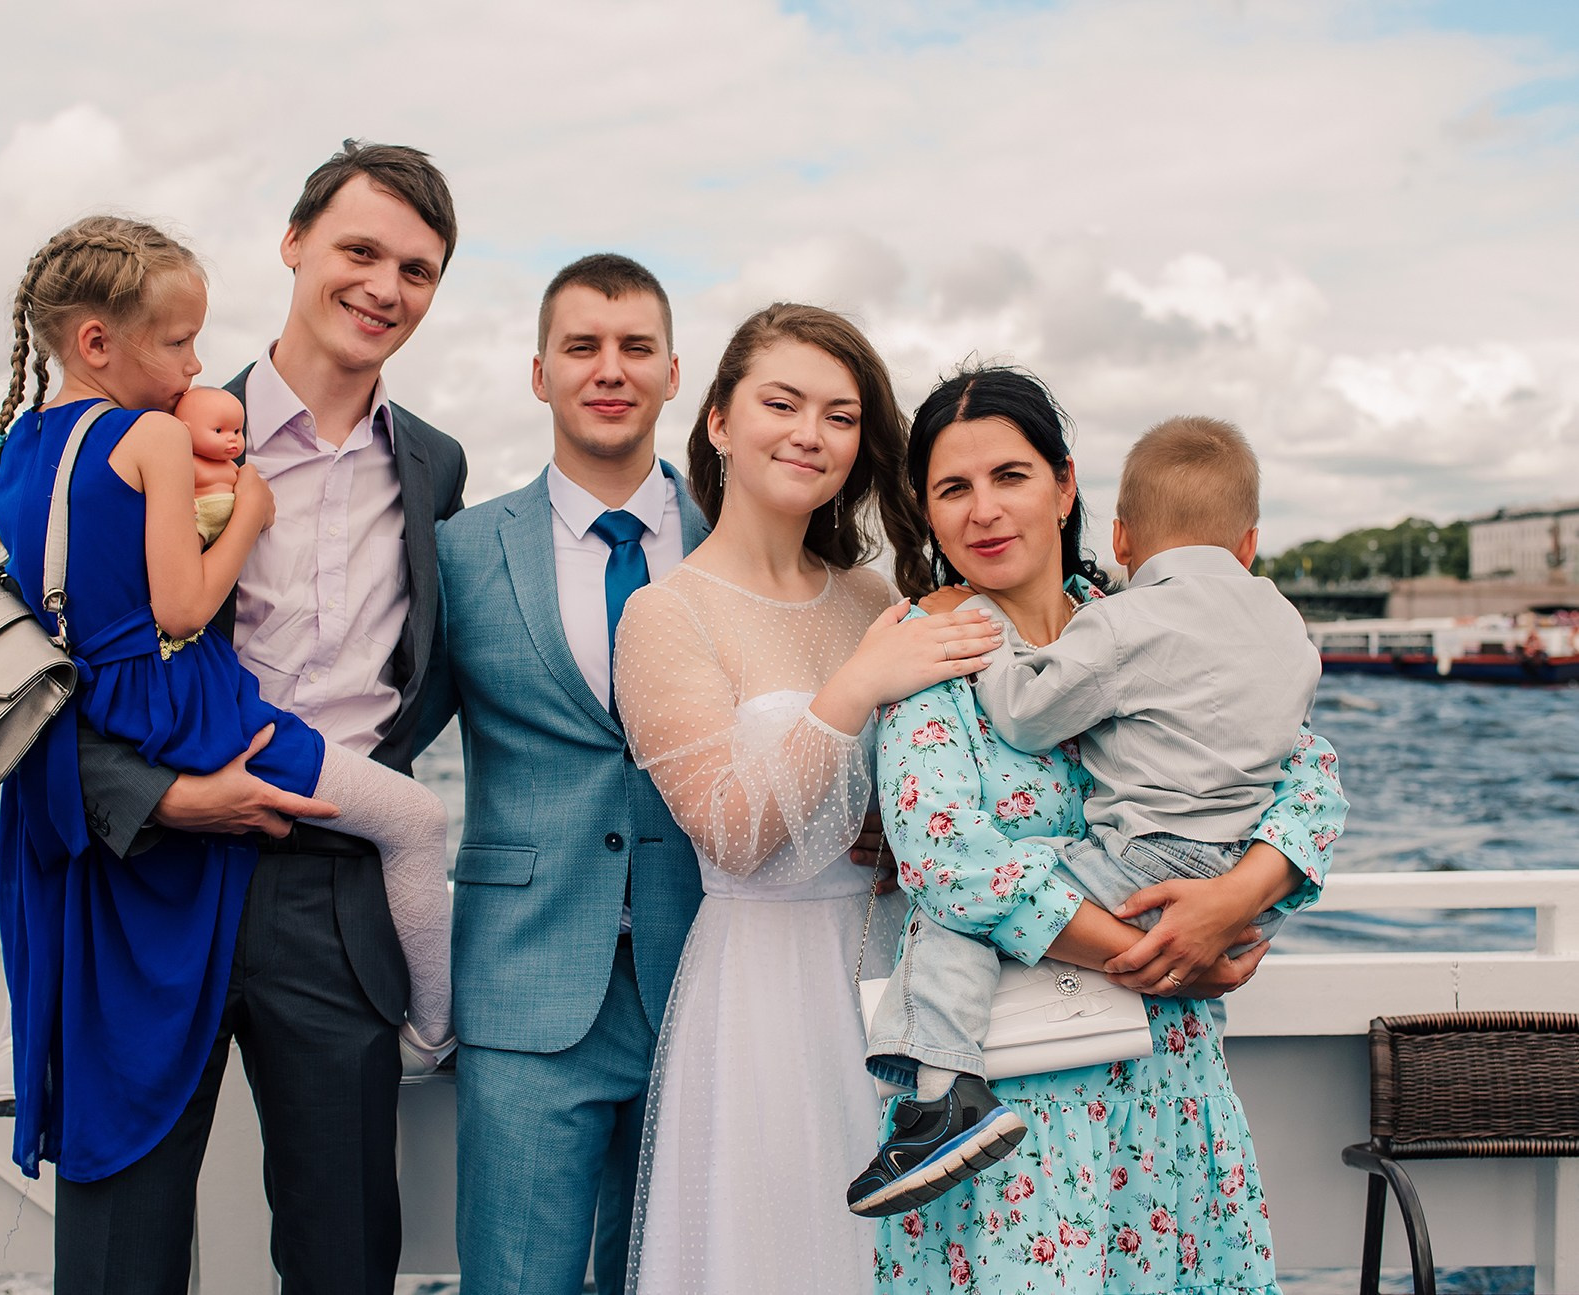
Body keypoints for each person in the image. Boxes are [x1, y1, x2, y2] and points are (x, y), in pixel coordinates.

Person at [69, 142, 467, 1294]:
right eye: (358, 250)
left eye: (418, 269)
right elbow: (53, 679)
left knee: (343, 1258)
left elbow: (429, 677)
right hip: (155, 882)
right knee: (117, 1255)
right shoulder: (145, 429)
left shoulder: (433, 466)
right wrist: (168, 798)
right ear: (292, 244)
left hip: (335, 895)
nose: (384, 287)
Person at [864, 366, 1346, 1294]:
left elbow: (1310, 777)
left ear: (1066, 484)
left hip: (1172, 1091)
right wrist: (1167, 946)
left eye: (1009, 475)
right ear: (926, 510)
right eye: (952, 488)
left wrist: (1237, 898)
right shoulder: (931, 648)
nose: (984, 510)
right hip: (1017, 1121)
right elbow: (950, 863)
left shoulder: (1152, 624)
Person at [610, 304, 1004, 1295]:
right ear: (715, 422)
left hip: (896, 975)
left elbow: (936, 782)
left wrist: (894, 824)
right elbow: (733, 831)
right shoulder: (664, 613)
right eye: (779, 402)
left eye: (837, 414)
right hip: (762, 983)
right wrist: (855, 685)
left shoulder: (872, 595)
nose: (808, 433)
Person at [434, 254, 706, 1295]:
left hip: (705, 979)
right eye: (582, 346)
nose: (610, 368)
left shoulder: (739, 542)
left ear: (672, 372)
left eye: (634, 346)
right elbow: (380, 722)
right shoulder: (460, 550)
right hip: (524, 985)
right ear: (537, 371)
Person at [176, 385, 245, 545]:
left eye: (236, 431)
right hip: (200, 522)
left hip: (230, 528)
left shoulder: (232, 466)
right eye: (219, 430)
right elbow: (175, 488)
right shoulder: (189, 463)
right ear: (185, 430)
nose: (232, 438)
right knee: (190, 553)